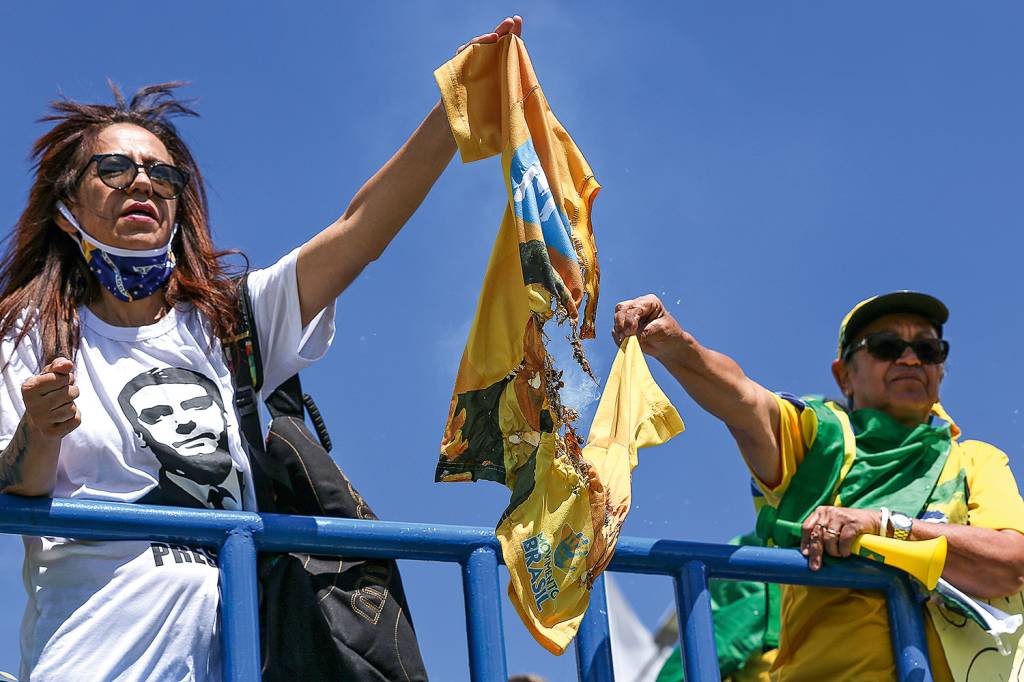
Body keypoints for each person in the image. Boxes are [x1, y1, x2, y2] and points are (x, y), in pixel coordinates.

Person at [0, 15, 523, 680]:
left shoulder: (228, 323)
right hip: (96, 661)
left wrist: (459, 104)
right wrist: (42, 428)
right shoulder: (29, 332)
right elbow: (15, 484)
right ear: (65, 202)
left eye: (164, 175)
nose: (143, 183)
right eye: (114, 167)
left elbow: (359, 230)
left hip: (249, 661)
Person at [611, 291, 1024, 680]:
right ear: (844, 375)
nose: (911, 359)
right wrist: (677, 345)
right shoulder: (823, 441)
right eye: (886, 347)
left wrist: (881, 525)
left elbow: (1010, 564)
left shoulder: (973, 460)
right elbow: (745, 402)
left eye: (928, 350)